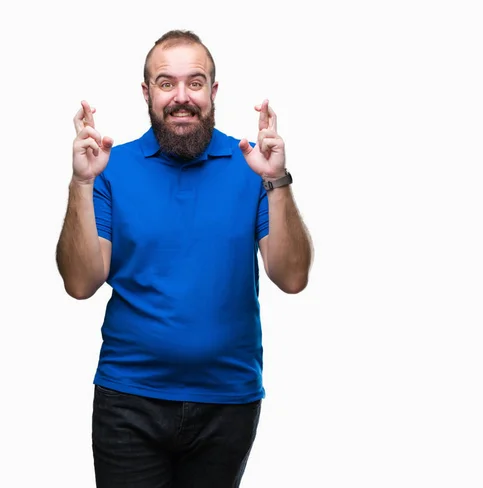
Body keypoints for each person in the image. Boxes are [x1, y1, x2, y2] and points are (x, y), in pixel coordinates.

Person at [55, 29, 313, 488]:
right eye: (165, 83)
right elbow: (80, 283)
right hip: (128, 399)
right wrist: (81, 184)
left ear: (213, 92)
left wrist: (278, 181)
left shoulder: (252, 166)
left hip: (228, 400)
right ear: (146, 92)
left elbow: (291, 277)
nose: (181, 97)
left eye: (194, 83)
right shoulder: (110, 167)